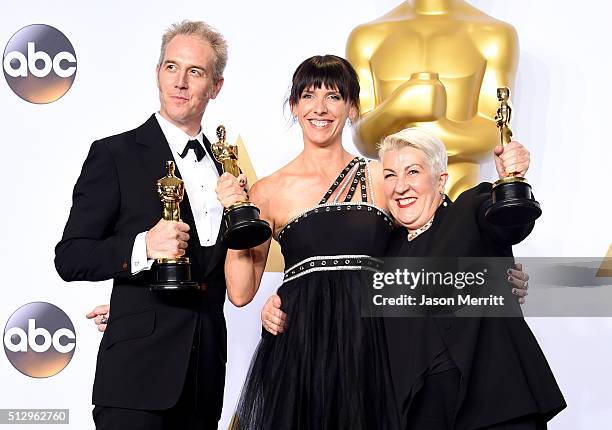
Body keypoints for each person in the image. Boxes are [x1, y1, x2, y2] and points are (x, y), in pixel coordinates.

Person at [55, 20, 229, 430]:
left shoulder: (226, 169)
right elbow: (71, 256)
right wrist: (143, 247)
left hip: (205, 378)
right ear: (157, 73)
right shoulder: (114, 154)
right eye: (171, 67)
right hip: (135, 378)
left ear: (216, 86)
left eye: (195, 72)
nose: (181, 82)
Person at [217, 54, 401, 429]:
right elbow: (239, 292)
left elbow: (424, 245)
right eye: (308, 96)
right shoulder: (268, 191)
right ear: (294, 107)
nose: (320, 108)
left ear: (352, 107)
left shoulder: (384, 176)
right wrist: (236, 212)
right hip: (301, 347)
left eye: (334, 96)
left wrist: (494, 273)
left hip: (376, 342)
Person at [378, 128, 565, 429]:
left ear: (440, 180)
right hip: (421, 416)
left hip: (497, 406)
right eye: (389, 175)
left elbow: (508, 223)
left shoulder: (469, 209)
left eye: (412, 171)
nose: (401, 186)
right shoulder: (384, 250)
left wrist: (511, 181)